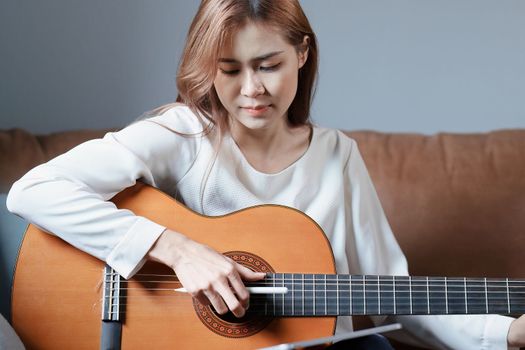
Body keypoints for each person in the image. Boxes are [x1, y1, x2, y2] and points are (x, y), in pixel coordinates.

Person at [6, 0, 525, 348]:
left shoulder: (337, 157)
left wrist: (508, 334)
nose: (251, 88)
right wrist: (180, 250)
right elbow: (33, 191)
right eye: (229, 69)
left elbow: (400, 296)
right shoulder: (183, 134)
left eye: (268, 64)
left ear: (302, 53)